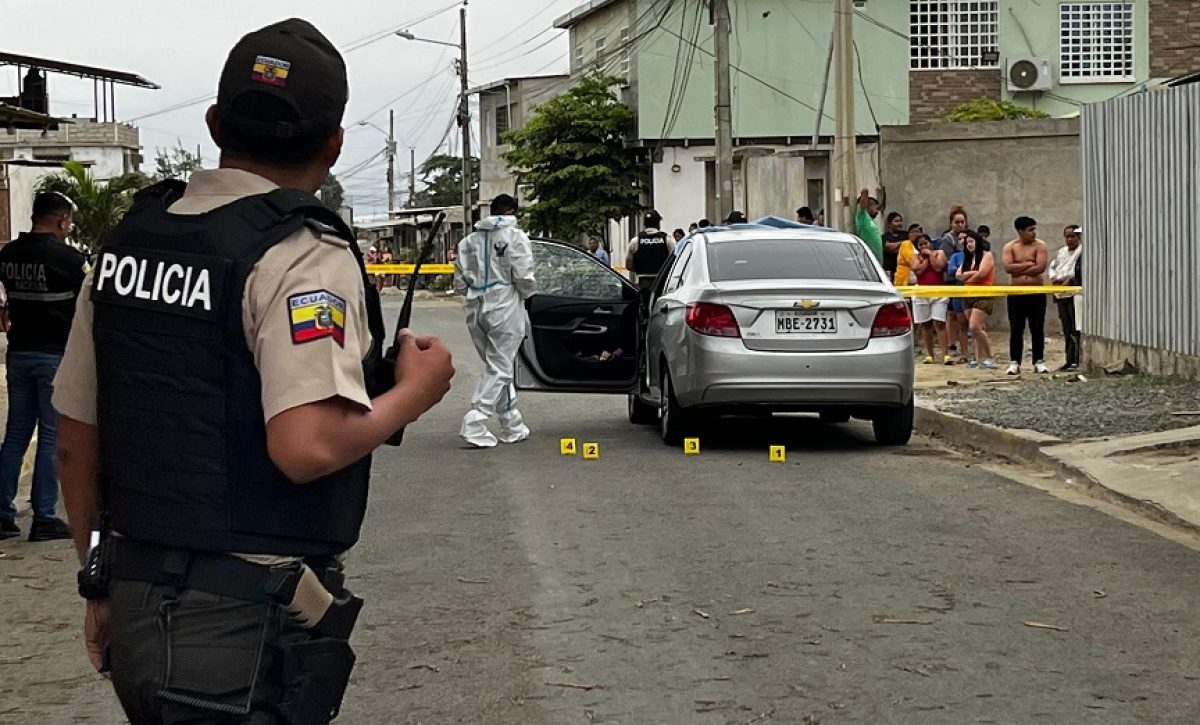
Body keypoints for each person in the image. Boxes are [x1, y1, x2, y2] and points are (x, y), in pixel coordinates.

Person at [53, 19, 456, 723]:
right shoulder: (300, 251)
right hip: (239, 626)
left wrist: (97, 580)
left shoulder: (128, 243)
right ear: (334, 145)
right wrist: (415, 394)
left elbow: (72, 439)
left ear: (214, 123)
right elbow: (307, 446)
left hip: (139, 604)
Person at [0, 191, 87, 542]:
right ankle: (45, 516)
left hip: (18, 353)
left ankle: (3, 515)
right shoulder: (70, 259)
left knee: (17, 433)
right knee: (52, 436)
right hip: (54, 356)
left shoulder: (7, 256)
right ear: (61, 220)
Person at [455, 193, 537, 448]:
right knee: (500, 366)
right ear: (512, 211)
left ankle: (511, 422)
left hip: (474, 307)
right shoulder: (515, 236)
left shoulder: (467, 242)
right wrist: (526, 297)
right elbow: (524, 276)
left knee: (497, 366)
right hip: (504, 303)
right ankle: (475, 421)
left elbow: (459, 283)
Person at [1002, 216, 1049, 375]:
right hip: (1016, 292)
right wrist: (1029, 264)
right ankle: (1014, 361)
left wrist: (1019, 268)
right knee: (1016, 328)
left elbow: (1040, 267)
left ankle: (1039, 360)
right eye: (1030, 230)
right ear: (1020, 231)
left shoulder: (1040, 246)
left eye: (1034, 229)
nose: (1033, 233)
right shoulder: (1010, 247)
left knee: (1037, 327)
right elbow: (1008, 267)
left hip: (1036, 291)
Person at [957, 234, 996, 369]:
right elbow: (958, 275)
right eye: (967, 243)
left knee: (975, 326)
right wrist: (970, 275)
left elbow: (982, 274)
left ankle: (990, 356)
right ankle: (978, 358)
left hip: (983, 295)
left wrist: (967, 276)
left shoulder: (987, 256)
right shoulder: (967, 258)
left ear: (978, 242)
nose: (969, 244)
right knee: (977, 329)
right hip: (968, 295)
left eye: (971, 241)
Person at [911, 233, 951, 365]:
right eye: (920, 245)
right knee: (926, 324)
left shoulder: (940, 253)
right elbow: (918, 270)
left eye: (925, 243)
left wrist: (930, 255)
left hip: (938, 291)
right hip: (921, 292)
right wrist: (926, 258)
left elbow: (939, 267)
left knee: (939, 322)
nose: (923, 246)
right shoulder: (915, 257)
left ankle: (945, 354)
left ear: (931, 243)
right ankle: (929, 354)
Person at [1049, 224, 1083, 371]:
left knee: (1076, 328)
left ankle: (1076, 359)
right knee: (1066, 328)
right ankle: (1069, 360)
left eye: (1073, 236)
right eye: (1067, 236)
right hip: (1061, 293)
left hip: (1074, 294)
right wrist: (1055, 278)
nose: (1069, 239)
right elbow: (1053, 267)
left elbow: (1077, 271)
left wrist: (1069, 280)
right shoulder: (1062, 252)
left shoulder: (1082, 252)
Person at [625, 210, 675, 292]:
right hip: (663, 281)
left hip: (643, 282)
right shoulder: (667, 240)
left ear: (644, 224)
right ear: (658, 223)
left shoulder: (635, 241)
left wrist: (642, 267)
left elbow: (629, 265)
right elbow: (675, 261)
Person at [855, 189, 883, 265]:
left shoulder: (870, 220)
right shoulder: (862, 216)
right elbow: (864, 194)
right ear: (867, 205)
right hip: (868, 262)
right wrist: (865, 192)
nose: (877, 212)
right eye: (876, 208)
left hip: (876, 262)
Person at [893, 222, 920, 287]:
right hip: (904, 281)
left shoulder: (921, 245)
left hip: (917, 282)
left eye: (917, 232)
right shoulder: (905, 244)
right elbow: (913, 263)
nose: (915, 234)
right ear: (909, 234)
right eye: (913, 232)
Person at [882, 211, 906, 281]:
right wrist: (902, 243)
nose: (899, 224)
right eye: (896, 221)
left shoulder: (906, 234)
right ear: (889, 224)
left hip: (902, 271)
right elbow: (887, 248)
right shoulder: (885, 237)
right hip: (889, 271)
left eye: (900, 221)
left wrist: (894, 246)